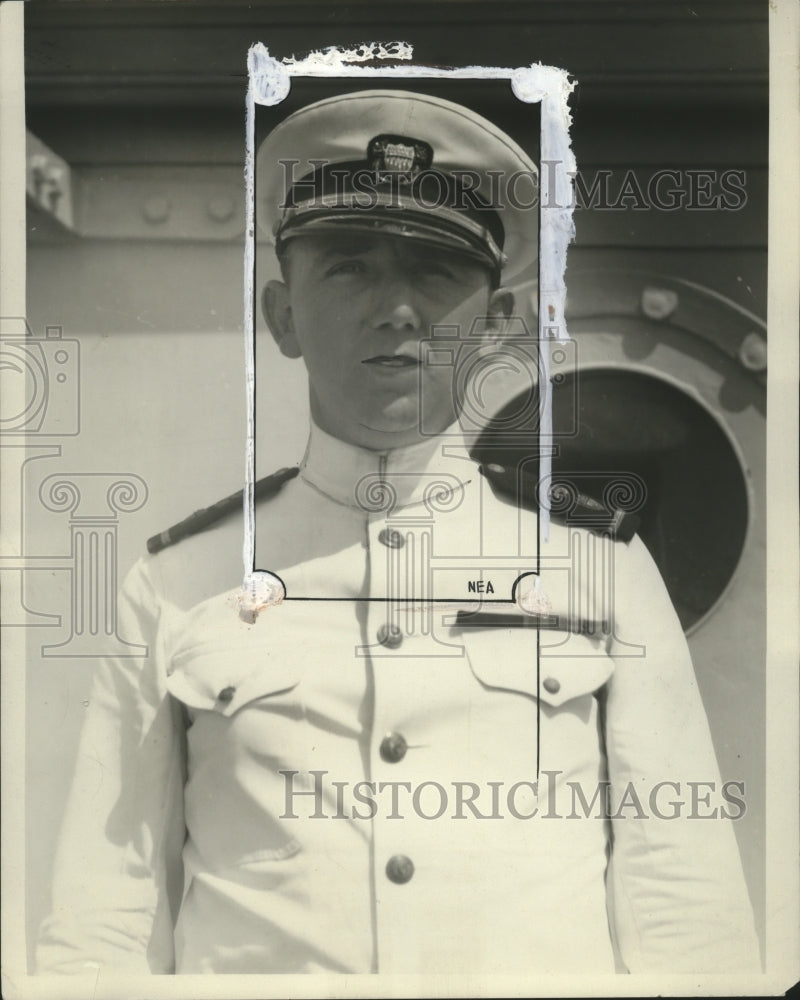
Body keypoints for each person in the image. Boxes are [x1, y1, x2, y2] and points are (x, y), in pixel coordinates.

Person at [36, 89, 760, 976]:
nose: (398, 309)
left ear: (497, 323)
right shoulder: (181, 583)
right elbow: (102, 923)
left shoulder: (599, 569)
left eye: (436, 271)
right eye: (349, 267)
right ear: (282, 314)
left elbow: (688, 915)